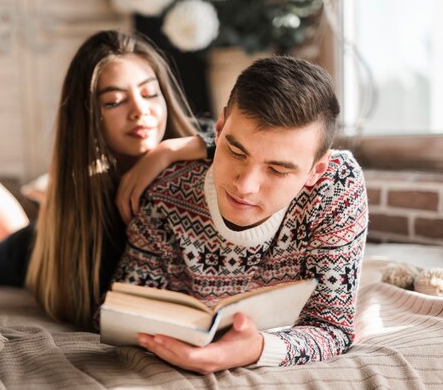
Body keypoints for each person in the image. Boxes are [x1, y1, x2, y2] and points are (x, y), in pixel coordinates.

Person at [0, 30, 210, 329]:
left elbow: (248, 149)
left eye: (150, 93)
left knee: (13, 226)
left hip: (46, 229)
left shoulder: (191, 157)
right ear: (88, 116)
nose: (141, 111)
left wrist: (180, 147)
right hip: (36, 252)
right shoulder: (81, 193)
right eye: (114, 101)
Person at [111, 55, 369, 372]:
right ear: (218, 130)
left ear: (316, 170)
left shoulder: (336, 184)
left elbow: (333, 328)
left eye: (277, 170)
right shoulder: (166, 194)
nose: (244, 187)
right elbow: (123, 314)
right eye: (236, 152)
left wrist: (258, 349)